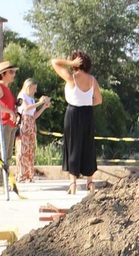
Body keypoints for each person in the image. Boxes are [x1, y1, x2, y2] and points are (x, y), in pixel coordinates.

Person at [50, 51, 101, 193]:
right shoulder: (92, 79)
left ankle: (73, 183)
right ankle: (90, 182)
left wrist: (70, 63)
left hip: (73, 113)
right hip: (88, 113)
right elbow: (98, 100)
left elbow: (54, 62)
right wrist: (86, 101)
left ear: (76, 63)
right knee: (88, 145)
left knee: (73, 145)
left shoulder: (71, 78)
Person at [16, 78, 51, 182]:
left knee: (30, 149)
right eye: (34, 88)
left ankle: (29, 175)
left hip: (31, 123)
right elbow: (26, 109)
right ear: (28, 87)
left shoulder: (31, 99)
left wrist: (44, 106)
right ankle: (21, 175)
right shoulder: (22, 96)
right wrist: (39, 102)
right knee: (23, 149)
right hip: (24, 123)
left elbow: (34, 115)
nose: (35, 91)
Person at [0, 60, 19, 189]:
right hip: (1, 123)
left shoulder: (7, 89)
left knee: (7, 155)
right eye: (11, 72)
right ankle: (0, 183)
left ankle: (4, 181)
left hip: (9, 124)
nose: (13, 74)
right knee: (0, 154)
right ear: (3, 74)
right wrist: (9, 112)